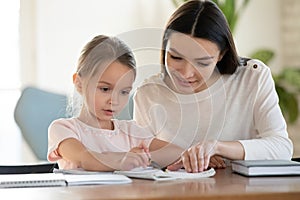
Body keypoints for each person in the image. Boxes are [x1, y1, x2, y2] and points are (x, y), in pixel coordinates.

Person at [133, 0, 293, 173]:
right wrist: (186, 156)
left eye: (202, 63)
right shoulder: (149, 93)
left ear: (221, 55)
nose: (186, 73)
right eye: (176, 57)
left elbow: (281, 148)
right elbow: (140, 157)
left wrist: (218, 147)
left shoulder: (252, 78)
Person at [47, 35, 183, 171]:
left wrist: (143, 156)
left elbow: (177, 152)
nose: (115, 101)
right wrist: (122, 159)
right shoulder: (63, 129)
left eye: (124, 92)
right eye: (105, 89)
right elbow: (84, 159)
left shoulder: (130, 131)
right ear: (79, 83)